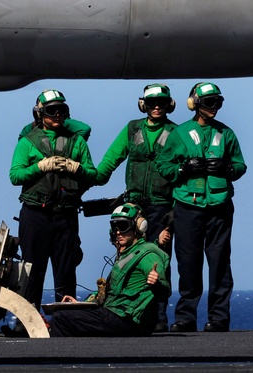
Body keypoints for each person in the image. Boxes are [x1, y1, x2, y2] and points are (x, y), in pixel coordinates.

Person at [155, 81, 246, 333]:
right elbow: (164, 166)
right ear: (195, 104)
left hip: (219, 206)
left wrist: (228, 169)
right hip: (188, 206)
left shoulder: (226, 134)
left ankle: (219, 317)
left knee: (219, 262)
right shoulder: (180, 133)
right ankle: (185, 316)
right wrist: (183, 169)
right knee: (188, 262)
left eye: (217, 102)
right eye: (209, 103)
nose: (214, 107)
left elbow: (240, 165)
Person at [8, 89, 97, 333]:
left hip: (65, 214)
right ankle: (26, 324)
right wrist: (39, 166)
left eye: (62, 110)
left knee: (66, 270)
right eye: (51, 110)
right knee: (32, 272)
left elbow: (94, 174)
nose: (57, 114)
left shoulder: (76, 141)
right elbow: (15, 175)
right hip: (35, 213)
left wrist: (76, 168)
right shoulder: (28, 141)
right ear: (39, 113)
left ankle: (65, 324)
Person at [95, 83, 178, 332]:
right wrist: (91, 179)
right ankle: (122, 310)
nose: (156, 107)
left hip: (163, 207)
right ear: (143, 104)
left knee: (158, 260)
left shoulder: (177, 132)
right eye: (151, 103)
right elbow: (112, 158)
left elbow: (180, 175)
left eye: (161, 103)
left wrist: (171, 222)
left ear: (169, 105)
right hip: (134, 208)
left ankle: (159, 317)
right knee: (127, 257)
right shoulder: (132, 129)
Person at [50, 203, 170, 337]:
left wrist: (157, 283)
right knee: (66, 315)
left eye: (123, 226)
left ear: (138, 227)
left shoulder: (147, 255)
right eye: (114, 226)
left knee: (60, 319)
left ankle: (60, 357)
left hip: (125, 319)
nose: (118, 232)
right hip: (119, 316)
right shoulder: (130, 254)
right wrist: (80, 304)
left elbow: (165, 290)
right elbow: (110, 292)